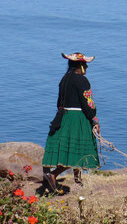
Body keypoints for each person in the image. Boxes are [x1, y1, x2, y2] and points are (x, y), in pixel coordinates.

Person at [42, 52, 100, 193]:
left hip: (63, 117)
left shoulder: (64, 80)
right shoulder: (82, 81)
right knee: (78, 151)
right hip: (77, 118)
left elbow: (59, 103)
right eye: (85, 64)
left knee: (71, 148)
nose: (86, 66)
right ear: (80, 65)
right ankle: (54, 174)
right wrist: (94, 119)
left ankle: (77, 180)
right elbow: (88, 104)